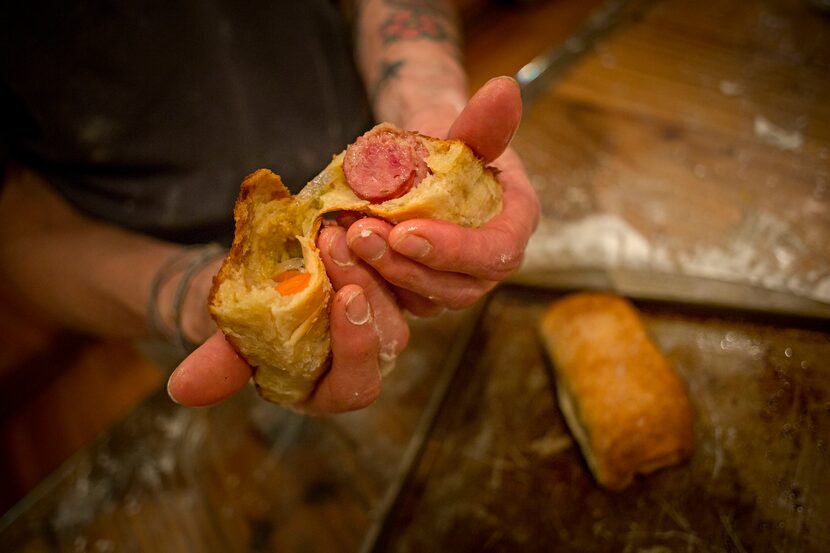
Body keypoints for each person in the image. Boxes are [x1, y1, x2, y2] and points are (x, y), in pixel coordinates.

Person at [0, 0, 539, 415]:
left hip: (373, 156)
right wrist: (185, 294)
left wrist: (423, 95)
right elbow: (14, 222)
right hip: (147, 273)